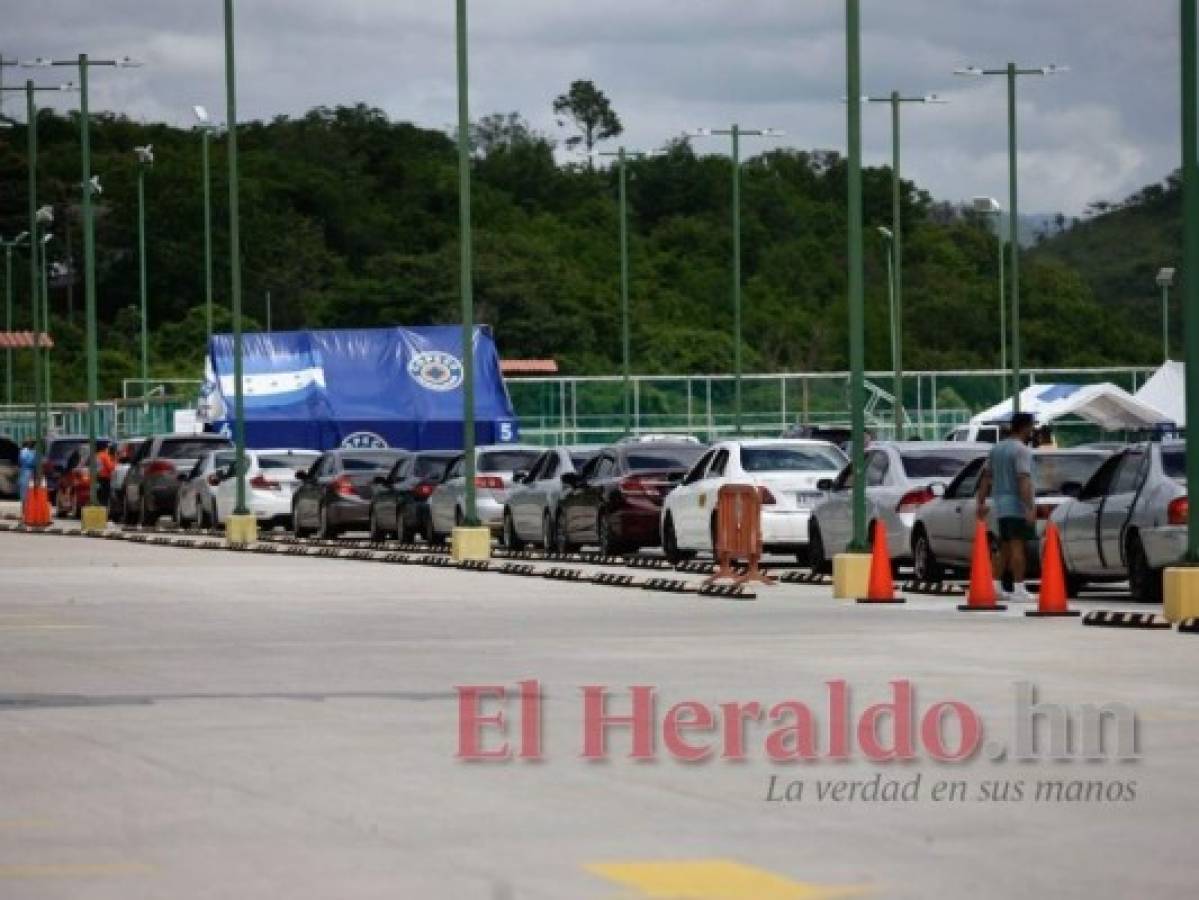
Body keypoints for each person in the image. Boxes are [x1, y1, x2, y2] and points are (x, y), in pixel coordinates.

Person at [975, 412, 1037, 602]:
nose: (1033, 430)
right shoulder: (1021, 450)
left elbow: (986, 476)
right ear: (1025, 427)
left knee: (1004, 548)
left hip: (998, 505)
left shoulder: (996, 449)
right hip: (1015, 505)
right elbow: (1023, 478)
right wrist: (1029, 506)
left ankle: (996, 587)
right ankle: (1019, 589)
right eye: (1032, 426)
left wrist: (981, 502)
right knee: (1019, 547)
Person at [17, 440, 35, 505]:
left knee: (24, 492)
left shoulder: (23, 452)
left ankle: (24, 509)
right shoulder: (33, 452)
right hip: (31, 472)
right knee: (30, 491)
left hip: (24, 472)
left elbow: (20, 461)